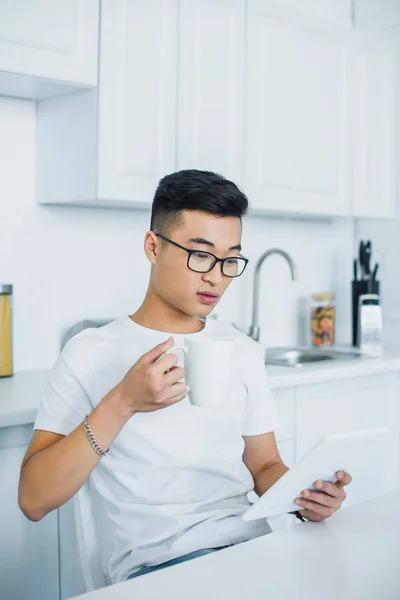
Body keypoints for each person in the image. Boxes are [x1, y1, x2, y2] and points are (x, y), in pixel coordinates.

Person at [18, 170, 351, 584]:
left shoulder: (242, 350)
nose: (217, 276)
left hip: (253, 547)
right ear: (153, 247)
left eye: (230, 259)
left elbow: (264, 465)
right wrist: (123, 402)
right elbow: (33, 499)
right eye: (201, 254)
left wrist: (304, 496)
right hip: (162, 566)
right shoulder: (89, 352)